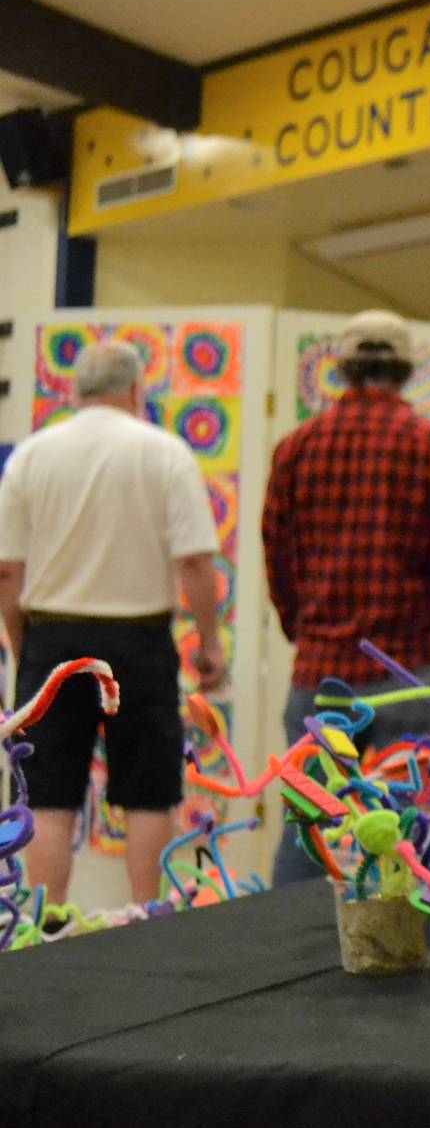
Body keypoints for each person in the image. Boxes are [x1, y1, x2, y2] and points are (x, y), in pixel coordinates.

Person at [262, 311, 430, 885]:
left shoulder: (294, 450)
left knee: (309, 830)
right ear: (407, 371)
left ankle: (288, 960)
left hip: (320, 676)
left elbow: (277, 557)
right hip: (414, 670)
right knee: (411, 836)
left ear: (342, 368)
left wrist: (302, 629)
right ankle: (401, 960)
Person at [0, 340, 225, 905]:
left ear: (75, 391)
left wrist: (22, 641)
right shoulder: (164, 452)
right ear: (135, 390)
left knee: (49, 794)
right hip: (140, 641)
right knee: (148, 795)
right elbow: (196, 561)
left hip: (52, 634)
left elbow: (6, 571)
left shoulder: (32, 454)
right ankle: (151, 919)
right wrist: (210, 643)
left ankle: (42, 928)